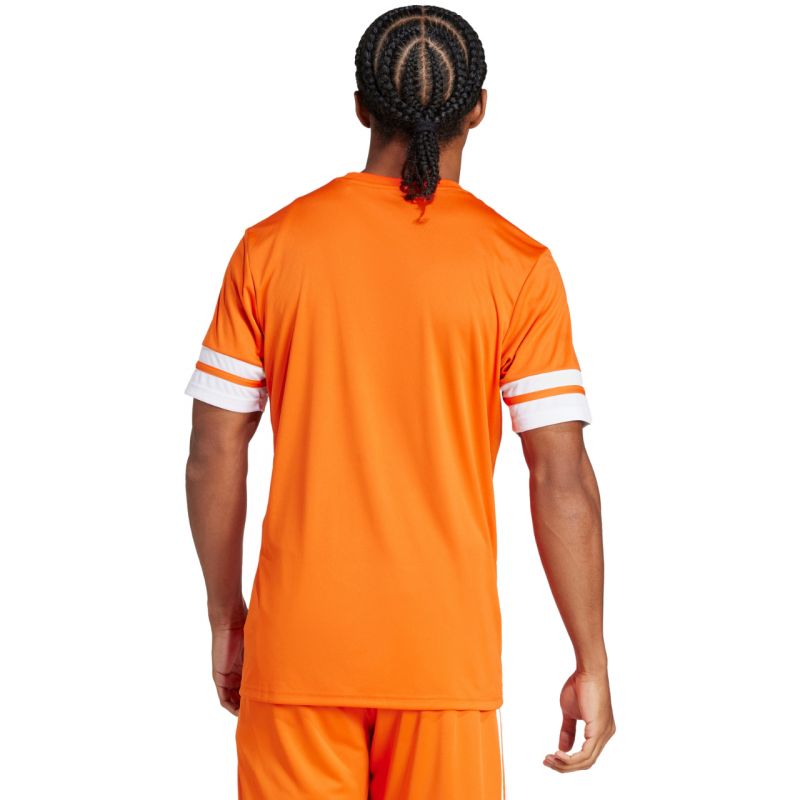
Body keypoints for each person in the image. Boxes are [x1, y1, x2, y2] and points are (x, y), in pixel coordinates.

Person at [184, 5, 615, 798]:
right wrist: (591, 659)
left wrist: (227, 618)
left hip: (298, 651)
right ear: (477, 108)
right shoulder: (518, 266)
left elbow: (214, 450)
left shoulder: (270, 248)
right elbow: (562, 477)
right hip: (442, 657)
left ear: (361, 105)